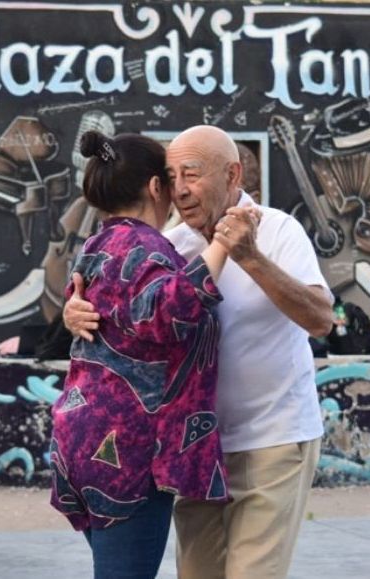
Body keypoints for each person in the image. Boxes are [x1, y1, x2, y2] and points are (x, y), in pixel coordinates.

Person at [64, 125, 333, 579]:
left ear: (232, 174)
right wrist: (79, 311)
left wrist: (249, 256)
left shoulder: (278, 230)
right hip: (196, 449)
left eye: (192, 173)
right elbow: (135, 308)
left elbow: (321, 319)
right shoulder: (173, 245)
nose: (181, 189)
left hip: (273, 437)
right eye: (172, 176)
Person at [49, 130, 235, 579]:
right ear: (155, 187)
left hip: (83, 435)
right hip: (129, 448)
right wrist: (225, 244)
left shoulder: (98, 244)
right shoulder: (145, 247)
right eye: (171, 179)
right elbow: (169, 311)